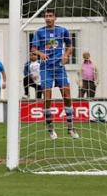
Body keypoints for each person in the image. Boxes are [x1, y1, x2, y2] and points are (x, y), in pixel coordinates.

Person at [31, 9, 79, 140]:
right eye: (46, 16)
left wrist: (66, 55)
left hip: (59, 68)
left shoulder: (62, 30)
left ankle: (70, 127)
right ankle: (50, 128)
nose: (48, 18)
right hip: (45, 69)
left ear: (55, 18)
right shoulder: (39, 32)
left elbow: (70, 46)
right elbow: (33, 50)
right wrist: (40, 54)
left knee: (67, 95)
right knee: (47, 98)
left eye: (50, 16)